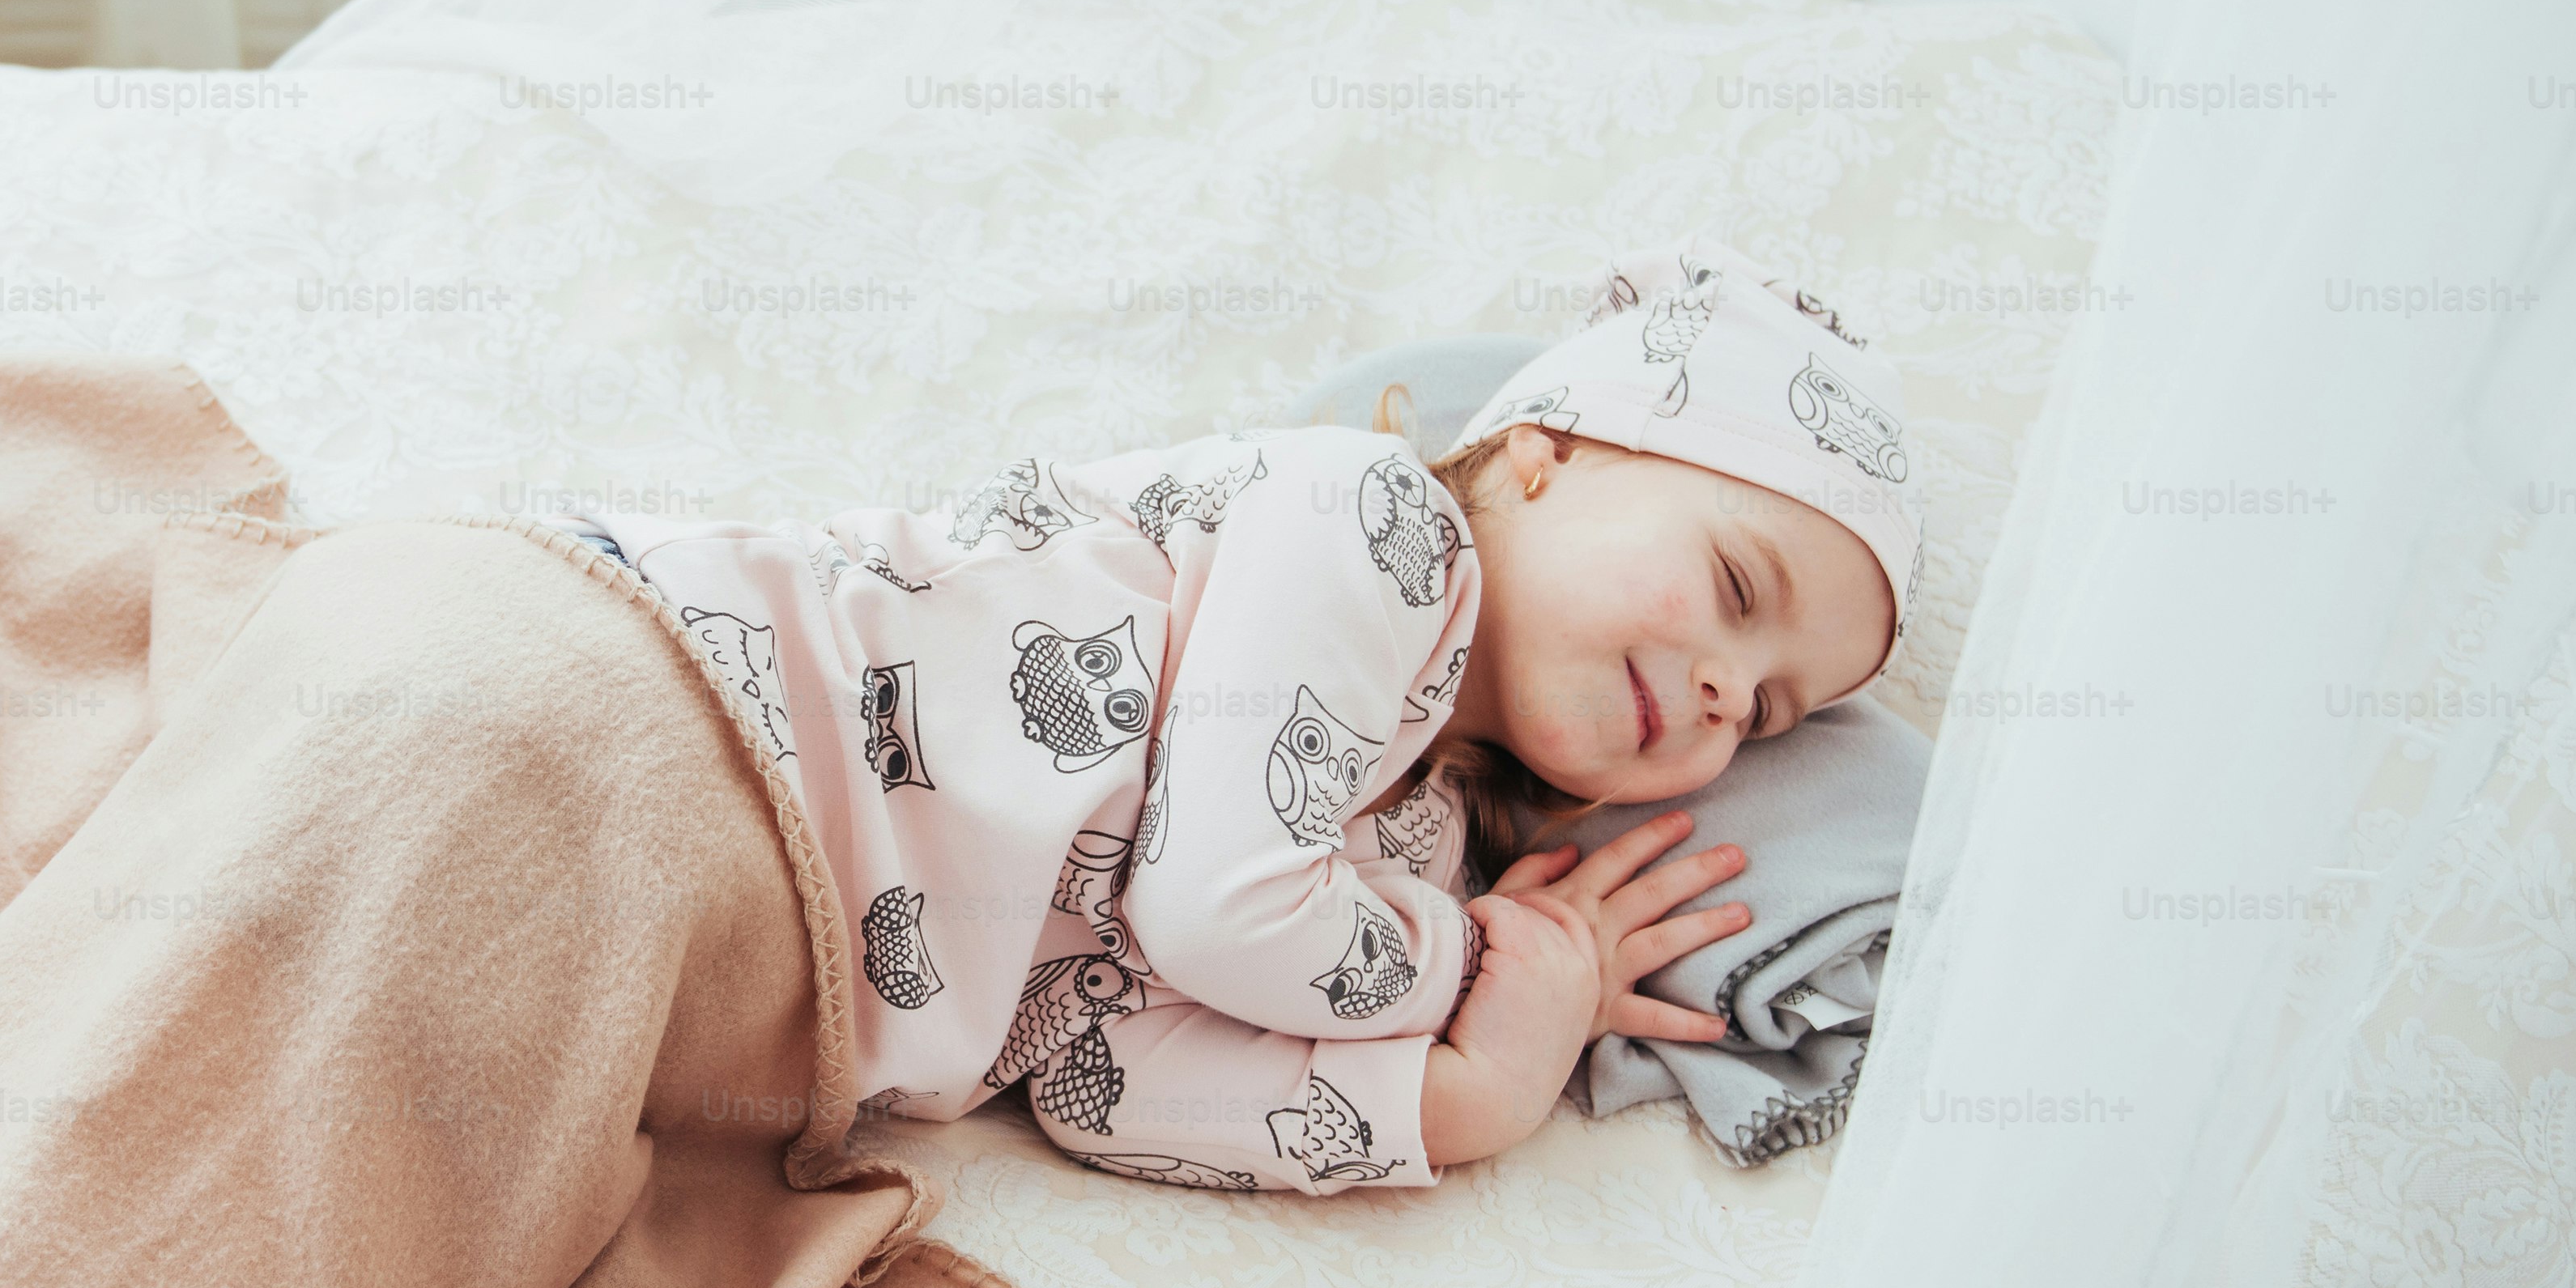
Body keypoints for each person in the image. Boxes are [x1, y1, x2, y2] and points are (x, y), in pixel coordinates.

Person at [563, 237, 1916, 1194]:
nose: (1732, 696)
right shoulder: (1374, 525)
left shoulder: (1408, 850)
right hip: (680, 702)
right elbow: (1218, 904)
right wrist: (1464, 970)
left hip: (724, 983)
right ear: (1543, 455)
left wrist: (1473, 1093)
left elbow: (1109, 1085)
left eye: (1772, 712)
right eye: (1739, 585)